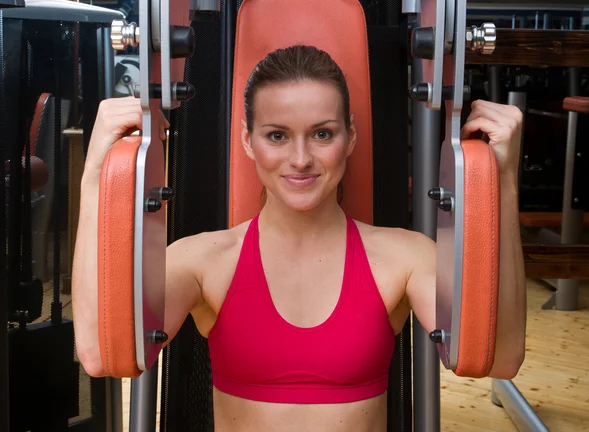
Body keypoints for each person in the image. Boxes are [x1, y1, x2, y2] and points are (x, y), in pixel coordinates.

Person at [73, 45, 526, 431]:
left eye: (322, 134)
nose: (301, 158)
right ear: (248, 141)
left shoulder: (402, 257)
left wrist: (502, 184)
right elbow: (98, 354)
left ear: (350, 137)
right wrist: (95, 178)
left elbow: (500, 358)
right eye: (277, 135)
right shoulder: (205, 260)